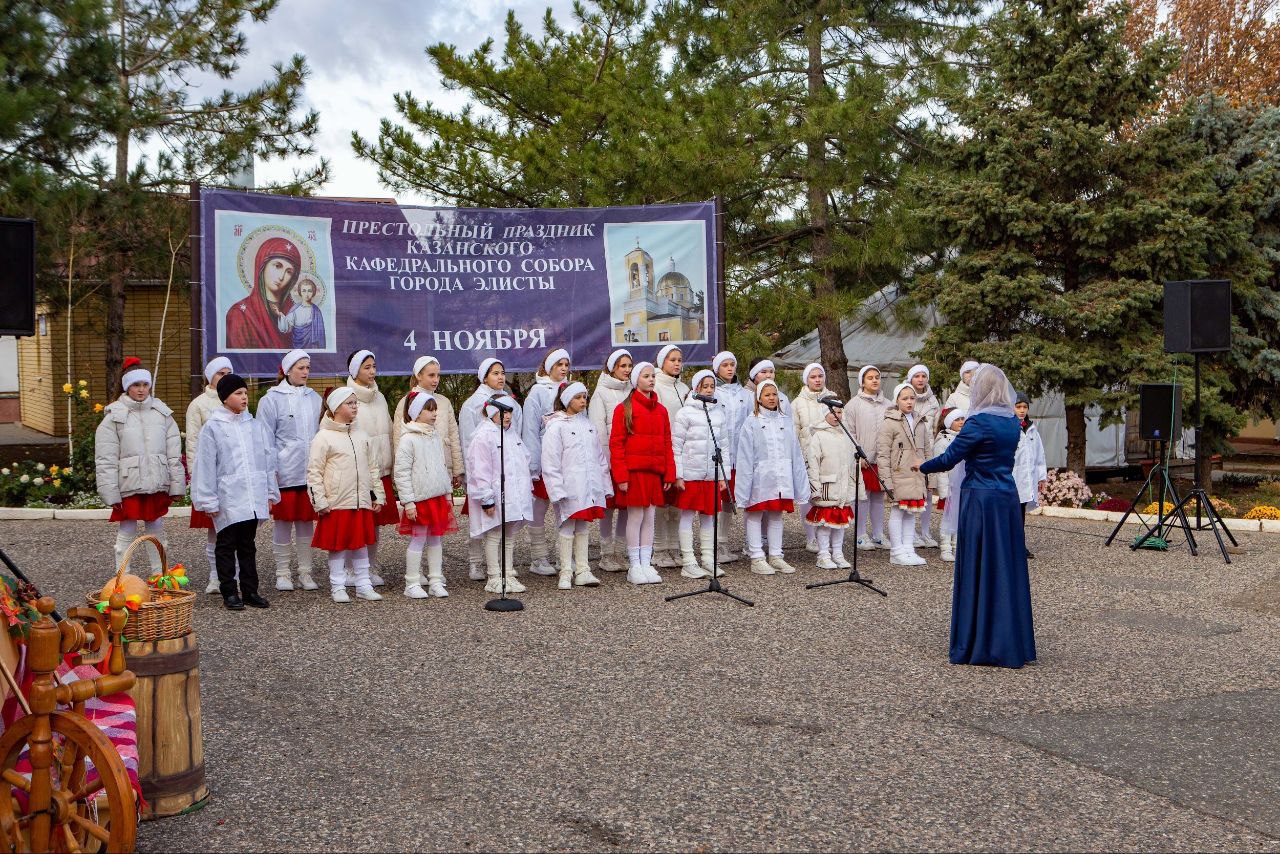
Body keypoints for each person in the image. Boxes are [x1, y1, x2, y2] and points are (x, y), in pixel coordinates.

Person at [919, 364, 1036, 669]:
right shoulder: (1013, 422)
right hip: (1006, 499)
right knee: (1005, 566)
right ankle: (1011, 639)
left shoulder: (978, 423)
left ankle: (979, 642)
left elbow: (948, 458)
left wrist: (921, 465)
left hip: (980, 499)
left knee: (979, 565)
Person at [191, 373, 278, 610]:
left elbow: (267, 460)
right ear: (225, 397)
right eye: (238, 393)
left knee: (248, 545)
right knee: (226, 544)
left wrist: (270, 492)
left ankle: (250, 590)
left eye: (245, 393)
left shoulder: (254, 426)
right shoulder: (214, 428)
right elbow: (206, 464)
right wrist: (208, 499)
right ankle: (229, 590)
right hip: (228, 496)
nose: (244, 397)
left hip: (251, 495)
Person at [95, 357, 185, 574]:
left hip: (156, 481)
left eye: (145, 384)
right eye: (136, 385)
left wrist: (177, 485)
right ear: (127, 387)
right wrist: (110, 492)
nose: (142, 389)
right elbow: (105, 458)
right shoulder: (114, 417)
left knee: (156, 528)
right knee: (127, 529)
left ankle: (159, 575)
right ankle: (122, 577)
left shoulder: (162, 414)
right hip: (129, 483)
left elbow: (174, 454)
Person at [308, 387, 386, 604]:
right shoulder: (323, 437)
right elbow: (314, 472)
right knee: (338, 546)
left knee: (360, 543)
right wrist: (319, 501)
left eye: (355, 403)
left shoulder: (362, 435)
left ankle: (363, 584)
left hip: (360, 501)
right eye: (349, 403)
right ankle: (338, 586)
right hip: (337, 501)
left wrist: (377, 494)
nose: (355, 407)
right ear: (335, 407)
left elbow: (372, 468)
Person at [255, 349, 323, 591]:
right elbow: (265, 440)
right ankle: (282, 573)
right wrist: (270, 472)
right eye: (300, 368)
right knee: (283, 523)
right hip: (284, 472)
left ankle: (305, 572)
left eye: (308, 368)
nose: (305, 372)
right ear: (287, 370)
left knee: (306, 523)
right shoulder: (271, 399)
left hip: (309, 472)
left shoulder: (314, 398)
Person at [610, 361, 677, 585]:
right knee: (635, 516)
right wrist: (621, 476)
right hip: (634, 473)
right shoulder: (624, 409)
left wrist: (669, 473)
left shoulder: (661, 410)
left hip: (654, 473)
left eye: (652, 376)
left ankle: (646, 563)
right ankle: (634, 564)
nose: (651, 379)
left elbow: (667, 442)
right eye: (646, 376)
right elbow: (616, 444)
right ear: (636, 380)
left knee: (650, 517)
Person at [542, 381, 611, 590]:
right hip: (569, 487)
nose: (583, 401)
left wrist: (604, 485)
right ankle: (565, 570)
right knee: (567, 525)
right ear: (566, 400)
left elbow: (599, 458)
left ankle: (582, 569)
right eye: (578, 397)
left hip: (588, 486)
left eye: (584, 397)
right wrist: (557, 489)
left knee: (583, 525)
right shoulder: (556, 426)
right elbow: (550, 461)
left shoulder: (588, 425)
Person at [459, 358, 524, 582]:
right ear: (484, 376)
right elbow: (469, 441)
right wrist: (471, 479)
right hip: (486, 478)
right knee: (486, 525)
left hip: (507, 479)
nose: (500, 377)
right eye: (495, 373)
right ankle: (479, 564)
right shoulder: (473, 405)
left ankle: (505, 570)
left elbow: (518, 439)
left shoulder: (509, 407)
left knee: (504, 531)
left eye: (503, 372)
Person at [734, 380, 808, 575]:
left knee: (776, 515)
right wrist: (743, 487)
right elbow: (745, 456)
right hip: (760, 476)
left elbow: (795, 453)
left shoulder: (785, 421)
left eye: (774, 394)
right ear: (758, 398)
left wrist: (799, 481)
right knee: (755, 514)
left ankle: (776, 555)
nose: (771, 398)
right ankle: (756, 556)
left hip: (781, 475)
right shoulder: (752, 422)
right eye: (766, 395)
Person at [393, 391, 457, 599]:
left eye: (434, 409)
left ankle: (436, 579)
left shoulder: (435, 435)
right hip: (419, 499)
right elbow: (401, 472)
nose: (434, 413)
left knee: (436, 539)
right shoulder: (408, 439)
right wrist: (408, 502)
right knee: (418, 539)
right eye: (428, 409)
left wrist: (447, 492)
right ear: (415, 413)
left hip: (436, 496)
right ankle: (411, 582)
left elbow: (441, 465)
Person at [466, 394, 533, 595]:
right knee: (494, 534)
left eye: (510, 412)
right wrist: (486, 497)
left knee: (509, 535)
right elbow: (480, 469)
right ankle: (494, 576)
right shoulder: (484, 436)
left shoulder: (512, 435)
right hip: (496, 494)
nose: (508, 416)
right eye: (504, 412)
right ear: (493, 412)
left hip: (514, 495)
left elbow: (523, 462)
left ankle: (508, 573)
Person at [185, 355, 236, 593]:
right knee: (215, 530)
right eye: (220, 374)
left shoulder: (237, 400)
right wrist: (198, 477)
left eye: (229, 373)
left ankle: (233, 574)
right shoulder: (199, 405)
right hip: (212, 476)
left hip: (234, 475)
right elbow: (193, 443)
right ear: (210, 377)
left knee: (235, 526)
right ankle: (216, 576)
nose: (225, 378)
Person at [346, 349, 396, 586]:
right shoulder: (346, 397)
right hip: (359, 474)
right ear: (355, 371)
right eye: (367, 367)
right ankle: (349, 569)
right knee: (355, 523)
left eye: (374, 366)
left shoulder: (380, 397)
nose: (373, 371)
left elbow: (388, 429)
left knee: (375, 525)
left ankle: (369, 568)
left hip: (381, 471)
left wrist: (392, 463)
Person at [671, 369, 728, 579]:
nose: (709, 390)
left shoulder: (718, 413)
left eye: (712, 386)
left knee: (709, 516)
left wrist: (723, 476)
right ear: (696, 388)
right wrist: (679, 474)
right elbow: (676, 446)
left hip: (710, 475)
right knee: (686, 515)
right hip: (690, 474)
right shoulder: (685, 413)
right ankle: (688, 561)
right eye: (705, 386)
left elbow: (724, 446)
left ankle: (708, 559)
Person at [521, 347, 572, 577]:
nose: (563, 368)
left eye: (566, 365)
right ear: (549, 367)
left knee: (566, 508)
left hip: (567, 461)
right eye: (559, 364)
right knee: (539, 509)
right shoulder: (537, 393)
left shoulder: (572, 390)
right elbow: (531, 430)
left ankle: (565, 555)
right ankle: (538, 557)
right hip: (544, 460)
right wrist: (533, 465)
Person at [587, 349, 634, 572]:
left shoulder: (633, 391)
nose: (627, 370)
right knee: (609, 507)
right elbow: (598, 429)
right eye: (622, 366)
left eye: (629, 366)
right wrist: (605, 461)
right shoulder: (601, 393)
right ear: (612, 368)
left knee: (625, 506)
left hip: (629, 458)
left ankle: (620, 550)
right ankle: (606, 553)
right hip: (609, 459)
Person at [879, 382, 931, 567]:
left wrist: (929, 474)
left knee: (911, 513)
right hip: (899, 474)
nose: (909, 402)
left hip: (916, 475)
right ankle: (896, 550)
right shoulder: (889, 422)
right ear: (897, 400)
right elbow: (883, 454)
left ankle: (909, 548)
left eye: (912, 398)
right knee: (898, 511)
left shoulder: (920, 422)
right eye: (905, 398)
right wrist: (886, 481)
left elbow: (927, 450)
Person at [391, 355, 463, 485]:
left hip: (443, 470)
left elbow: (453, 436)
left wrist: (457, 470)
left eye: (438, 375)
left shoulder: (444, 402)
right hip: (418, 474)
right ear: (419, 375)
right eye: (431, 375)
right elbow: (398, 441)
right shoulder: (406, 402)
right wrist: (404, 477)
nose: (436, 380)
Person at [805, 404, 858, 571]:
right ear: (824, 414)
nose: (837, 415)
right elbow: (813, 464)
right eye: (832, 412)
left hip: (843, 487)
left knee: (840, 523)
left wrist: (854, 486)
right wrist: (815, 488)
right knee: (826, 523)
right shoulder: (819, 436)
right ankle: (823, 554)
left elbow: (851, 463)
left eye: (840, 412)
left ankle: (837, 552)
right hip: (827, 486)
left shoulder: (846, 436)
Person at [651, 344, 688, 569]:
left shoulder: (684, 388)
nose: (676, 363)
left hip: (683, 453)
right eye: (672, 359)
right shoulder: (657, 388)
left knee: (677, 504)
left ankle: (674, 547)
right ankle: (659, 549)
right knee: (661, 504)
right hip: (665, 451)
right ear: (662, 362)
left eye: (679, 359)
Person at [225, 237, 299, 350]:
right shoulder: (240, 313)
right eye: (277, 266)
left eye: (289, 272)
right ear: (262, 266)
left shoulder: (295, 312)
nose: (281, 277)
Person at [845, 365, 890, 551]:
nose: (874, 380)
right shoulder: (853, 405)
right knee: (862, 497)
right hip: (863, 459)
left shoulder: (889, 405)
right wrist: (858, 454)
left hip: (882, 459)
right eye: (870, 377)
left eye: (877, 377)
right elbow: (849, 432)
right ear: (862, 381)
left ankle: (878, 534)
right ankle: (861, 534)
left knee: (879, 497)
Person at [711, 351, 750, 562]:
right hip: (719, 454)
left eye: (732, 364)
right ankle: (713, 545)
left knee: (729, 500)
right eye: (724, 365)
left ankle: (723, 543)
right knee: (717, 498)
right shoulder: (713, 391)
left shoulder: (744, 394)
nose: (729, 368)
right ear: (717, 368)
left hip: (738, 456)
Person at [792, 362, 830, 553]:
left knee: (828, 494)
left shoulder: (832, 398)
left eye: (820, 376)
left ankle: (826, 533)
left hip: (829, 456)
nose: (817, 380)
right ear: (806, 379)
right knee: (809, 496)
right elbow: (794, 431)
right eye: (813, 377)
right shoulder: (798, 403)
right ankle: (811, 537)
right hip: (807, 456)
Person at [906, 364, 941, 550]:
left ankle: (925, 531)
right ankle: (911, 533)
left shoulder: (933, 402)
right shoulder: (904, 397)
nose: (920, 379)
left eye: (923, 376)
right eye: (916, 376)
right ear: (910, 379)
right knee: (912, 491)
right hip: (910, 450)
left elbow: (936, 427)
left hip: (928, 450)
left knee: (927, 491)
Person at [1012, 392, 1047, 560]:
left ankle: (1019, 545)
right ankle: (1007, 546)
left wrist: (1041, 477)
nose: (1021, 410)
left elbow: (1039, 455)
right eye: (1018, 407)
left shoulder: (1031, 429)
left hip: (1027, 478)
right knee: (1010, 513)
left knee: (1020, 513)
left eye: (1024, 407)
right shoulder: (1009, 427)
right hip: (1012, 478)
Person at [933, 408, 966, 562]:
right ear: (948, 422)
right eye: (957, 419)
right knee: (948, 518)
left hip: (963, 486)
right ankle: (946, 547)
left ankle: (957, 546)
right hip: (950, 487)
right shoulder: (943, 441)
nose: (961, 422)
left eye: (962, 419)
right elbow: (941, 469)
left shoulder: (965, 439)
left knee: (960, 518)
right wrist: (944, 490)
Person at [273, 274, 327, 350]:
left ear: (313, 292)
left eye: (309, 291)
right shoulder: (295, 309)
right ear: (300, 292)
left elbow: (320, 334)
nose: (307, 294)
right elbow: (287, 327)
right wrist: (280, 315)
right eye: (304, 291)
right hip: (296, 346)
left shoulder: (316, 311)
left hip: (312, 346)